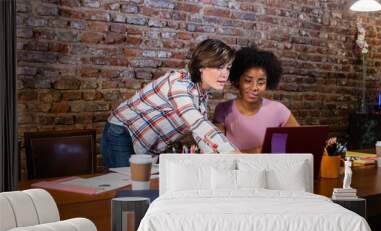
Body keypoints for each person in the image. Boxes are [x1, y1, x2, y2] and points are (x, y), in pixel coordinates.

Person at [101, 39, 239, 168]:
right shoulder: (178, 82)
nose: (225, 74)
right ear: (202, 66)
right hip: (121, 132)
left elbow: (201, 135)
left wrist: (224, 159)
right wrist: (230, 152)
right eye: (219, 67)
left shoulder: (201, 97)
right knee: (126, 186)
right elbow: (196, 123)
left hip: (145, 144)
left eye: (228, 68)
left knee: (141, 186)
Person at [213, 46, 299, 153]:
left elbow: (298, 143)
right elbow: (218, 151)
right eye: (248, 81)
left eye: (261, 82)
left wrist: (275, 147)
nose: (254, 87)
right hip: (236, 168)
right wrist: (257, 151)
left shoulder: (279, 110)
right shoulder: (223, 109)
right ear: (238, 80)